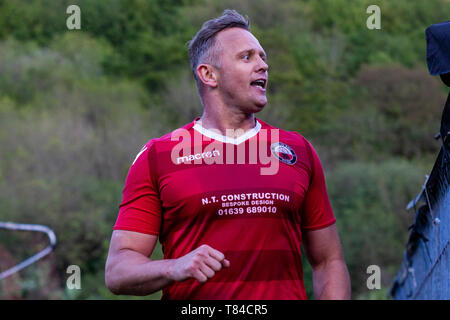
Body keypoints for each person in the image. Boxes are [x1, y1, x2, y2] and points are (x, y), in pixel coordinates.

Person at [105, 9, 351, 300]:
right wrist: (173, 267)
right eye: (247, 57)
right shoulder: (158, 156)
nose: (263, 66)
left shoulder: (298, 151)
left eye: (263, 57)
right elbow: (119, 270)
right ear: (208, 75)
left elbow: (328, 261)